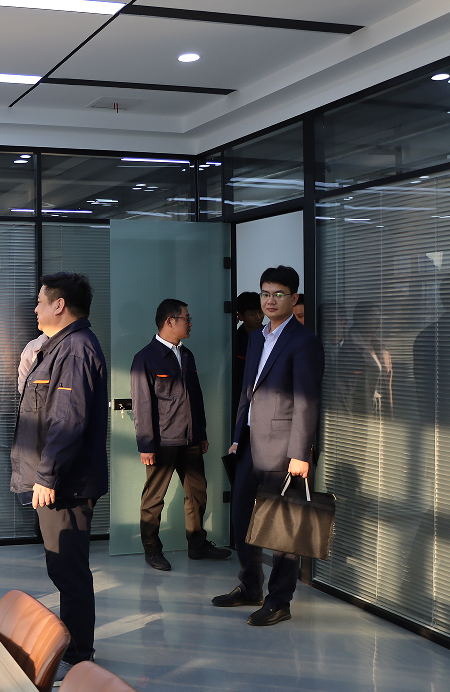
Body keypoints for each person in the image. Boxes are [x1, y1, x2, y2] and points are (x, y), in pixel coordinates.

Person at [213, 265, 324, 626]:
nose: (270, 300)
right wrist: (236, 437)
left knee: (282, 529)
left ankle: (279, 601)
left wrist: (300, 453)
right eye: (265, 294)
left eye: (278, 294)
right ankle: (250, 587)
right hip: (250, 445)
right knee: (242, 519)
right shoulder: (256, 337)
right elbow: (248, 390)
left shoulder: (304, 341)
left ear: (294, 298)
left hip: (285, 450)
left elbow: (307, 401)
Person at [10, 272, 108, 681]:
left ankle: (80, 658)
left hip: (65, 485)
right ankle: (74, 647)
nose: (35, 308)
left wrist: (47, 478)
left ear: (59, 305)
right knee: (63, 568)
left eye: (39, 301)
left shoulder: (76, 349)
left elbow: (67, 421)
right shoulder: (57, 348)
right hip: (55, 481)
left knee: (70, 571)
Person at [131, 299, 230, 572]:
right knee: (154, 499)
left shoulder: (187, 355)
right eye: (186, 318)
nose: (191, 323)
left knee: (197, 494)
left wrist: (201, 432)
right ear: (170, 321)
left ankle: (197, 545)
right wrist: (146, 444)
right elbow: (141, 405)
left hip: (191, 439)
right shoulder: (145, 358)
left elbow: (195, 397)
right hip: (163, 442)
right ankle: (152, 550)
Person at [233, 292, 264, 405]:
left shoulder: (271, 337)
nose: (258, 317)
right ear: (240, 316)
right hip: (240, 396)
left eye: (260, 312)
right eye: (252, 314)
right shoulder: (234, 341)